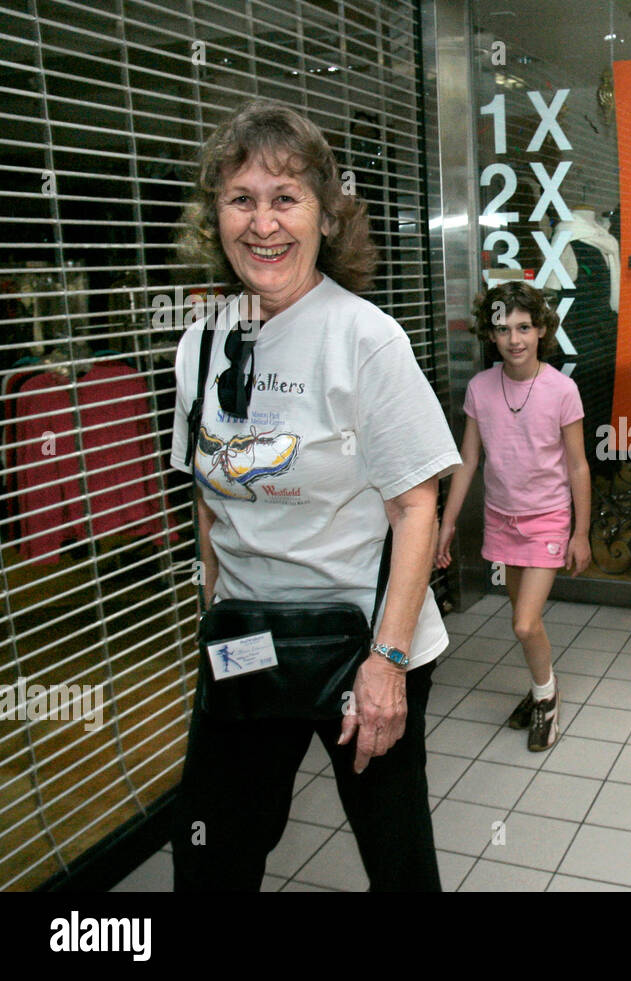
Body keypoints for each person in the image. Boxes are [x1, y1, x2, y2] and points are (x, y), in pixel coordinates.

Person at [169, 101, 460, 890]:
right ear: (216, 217)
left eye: (285, 198)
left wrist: (388, 664)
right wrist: (214, 594)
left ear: (326, 217)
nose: (263, 223)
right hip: (244, 641)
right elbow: (206, 487)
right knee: (212, 849)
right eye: (241, 199)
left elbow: (416, 507)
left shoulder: (365, 337)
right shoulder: (199, 341)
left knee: (396, 859)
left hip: (360, 646)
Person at [435, 282, 591, 751]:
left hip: (547, 519)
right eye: (503, 329)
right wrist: (446, 524)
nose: (514, 339)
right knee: (520, 622)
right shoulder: (481, 388)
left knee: (526, 623)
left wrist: (580, 533)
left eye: (524, 327)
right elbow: (468, 460)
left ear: (541, 329)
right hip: (502, 520)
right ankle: (539, 684)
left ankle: (547, 698)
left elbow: (579, 465)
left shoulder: (562, 389)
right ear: (491, 334)